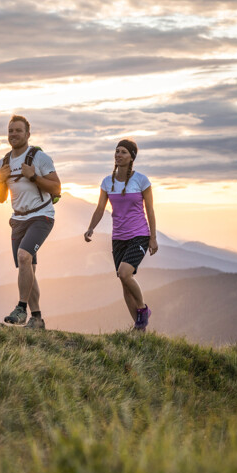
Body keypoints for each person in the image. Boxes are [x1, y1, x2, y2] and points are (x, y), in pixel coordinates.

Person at [0, 114, 62, 329]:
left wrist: (34, 176)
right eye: (10, 131)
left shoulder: (40, 158)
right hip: (18, 219)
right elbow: (0, 197)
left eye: (18, 130)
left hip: (41, 216)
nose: (13, 134)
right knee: (28, 268)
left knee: (24, 256)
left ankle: (21, 309)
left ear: (27, 134)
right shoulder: (3, 162)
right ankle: (37, 319)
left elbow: (56, 188)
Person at [83, 139, 158, 331]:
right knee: (124, 282)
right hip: (118, 237)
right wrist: (91, 227)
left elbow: (150, 209)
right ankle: (139, 328)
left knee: (125, 273)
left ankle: (142, 309)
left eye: (124, 152)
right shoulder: (107, 182)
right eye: (117, 151)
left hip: (139, 235)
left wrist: (153, 237)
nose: (118, 155)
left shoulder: (141, 180)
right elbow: (100, 208)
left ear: (132, 156)